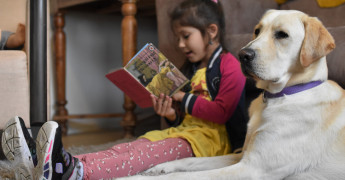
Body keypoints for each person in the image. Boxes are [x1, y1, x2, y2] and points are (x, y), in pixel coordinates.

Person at [1, 0, 247, 179]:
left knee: (144, 156)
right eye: (178, 38)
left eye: (185, 36)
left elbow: (222, 111)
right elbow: (187, 117)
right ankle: (53, 163)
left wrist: (182, 97)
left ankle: (78, 172)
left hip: (210, 145)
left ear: (211, 31)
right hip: (185, 135)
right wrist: (171, 113)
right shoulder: (191, 68)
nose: (181, 44)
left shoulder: (229, 65)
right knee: (130, 147)